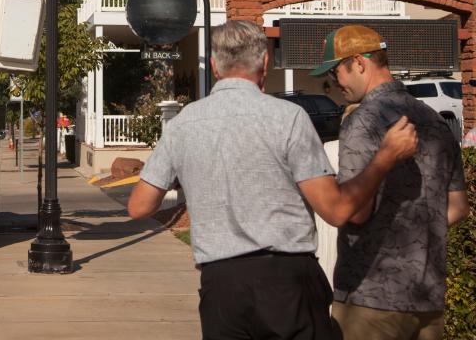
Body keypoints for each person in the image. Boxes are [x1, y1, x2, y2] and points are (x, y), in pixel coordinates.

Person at [128, 20, 418, 340]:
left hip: (221, 285)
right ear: (265, 62)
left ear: (214, 65)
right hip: (287, 280)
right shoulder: (288, 117)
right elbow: (335, 211)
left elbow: (140, 206)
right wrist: (385, 158)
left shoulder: (183, 124)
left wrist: (189, 175)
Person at [310, 25, 469, 339]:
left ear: (359, 62)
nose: (333, 83)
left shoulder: (362, 121)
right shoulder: (434, 120)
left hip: (371, 297)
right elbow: (459, 207)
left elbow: (356, 212)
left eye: (335, 72)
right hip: (427, 296)